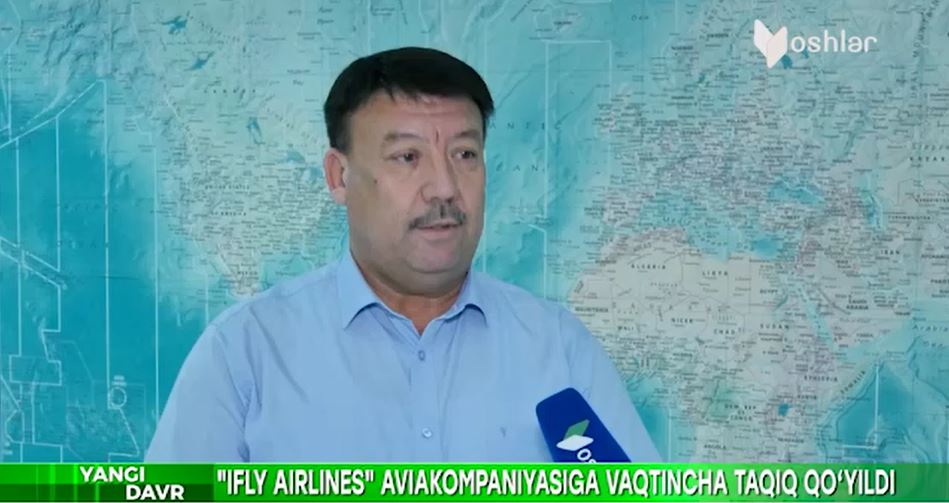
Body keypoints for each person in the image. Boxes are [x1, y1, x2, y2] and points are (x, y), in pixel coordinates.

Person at [146, 47, 660, 462]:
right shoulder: (247, 353)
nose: (445, 187)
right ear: (339, 176)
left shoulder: (559, 349)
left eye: (465, 154)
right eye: (408, 157)